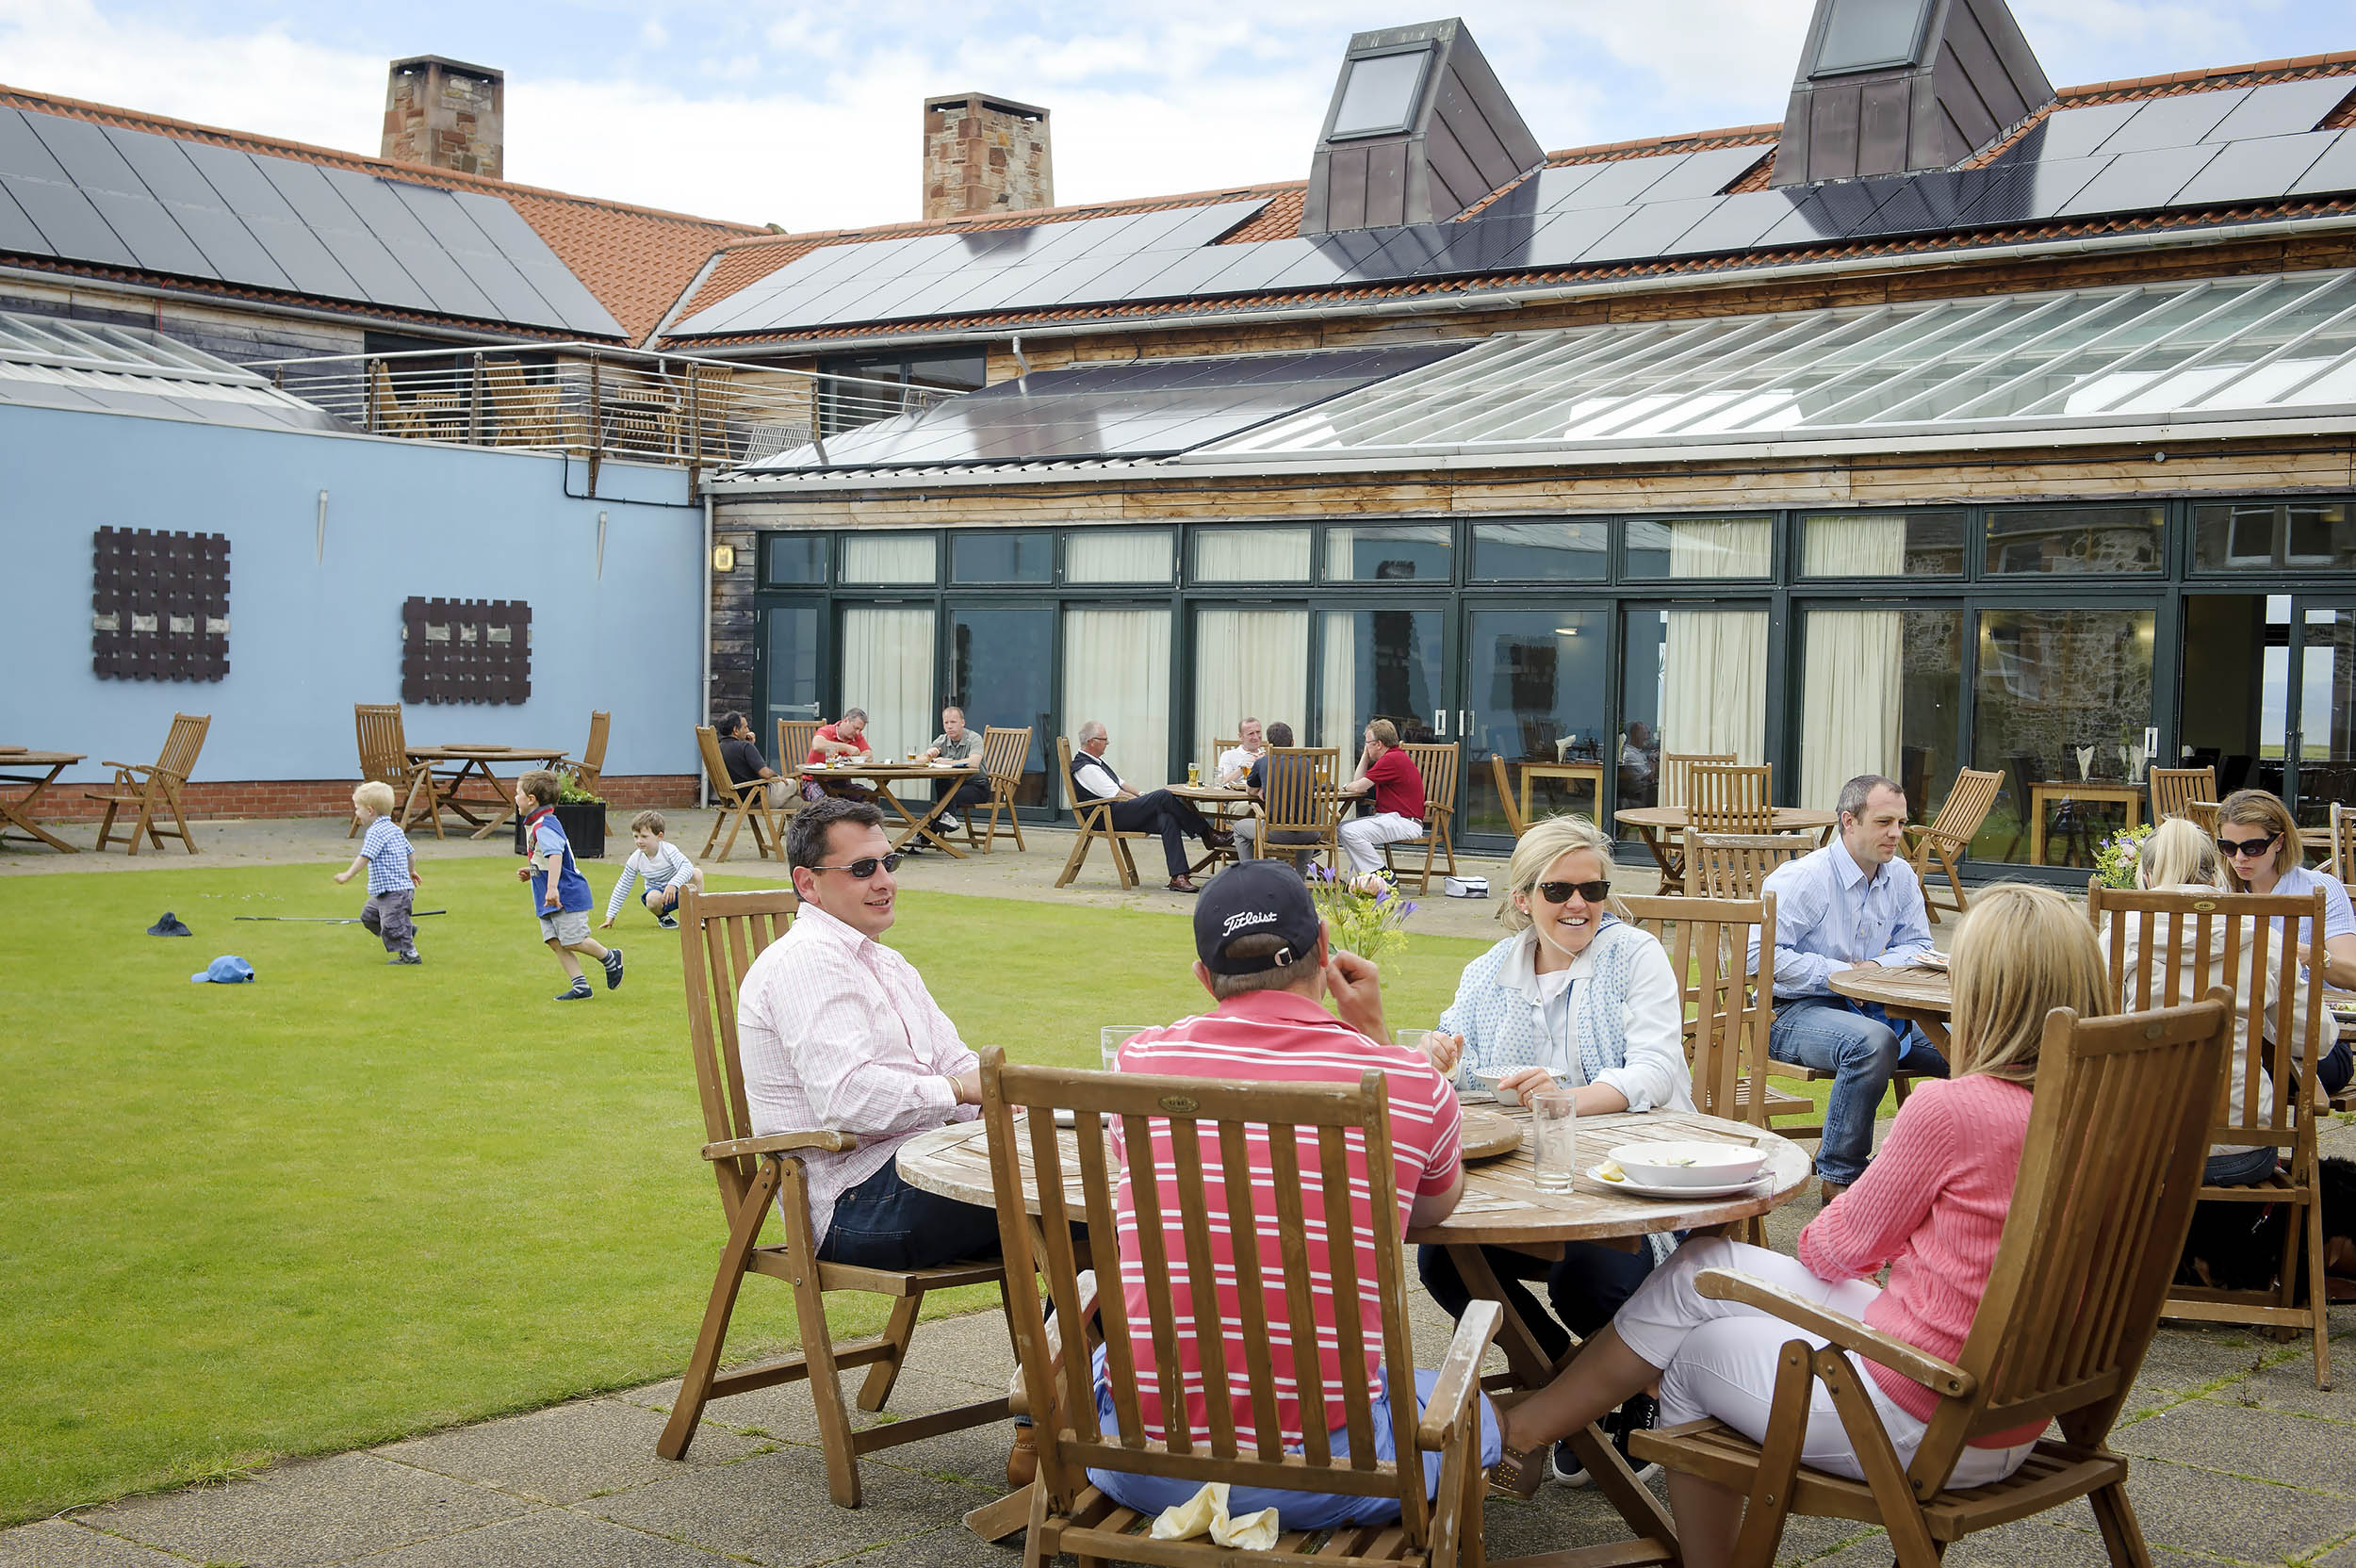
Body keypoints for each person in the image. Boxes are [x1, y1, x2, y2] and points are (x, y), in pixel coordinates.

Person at [1491, 884, 2095, 1559]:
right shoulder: (2106, 1111)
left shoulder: (1954, 1110)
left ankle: (1694, 1551)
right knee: (1700, 1269)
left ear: (1983, 992)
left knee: (1693, 1355)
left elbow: (1834, 1252)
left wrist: (1873, 1222)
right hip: (2013, 1411)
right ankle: (1532, 1428)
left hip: (1924, 1416)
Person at [1092, 858, 1500, 1522]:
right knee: (1475, 1410)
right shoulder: (1407, 1080)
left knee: (1108, 1351)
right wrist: (1371, 1033)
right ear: (1322, 950)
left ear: (1204, 976)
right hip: (1342, 1473)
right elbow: (1429, 1208)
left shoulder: (1138, 1064)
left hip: (1138, 1461)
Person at [1418, 813, 1692, 1485]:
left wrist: (1563, 1099)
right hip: (1527, 1178)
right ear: (1521, 899)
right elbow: (1458, 1057)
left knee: (1589, 1276)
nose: (1578, 905)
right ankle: (1564, 1377)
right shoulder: (1490, 972)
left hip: (1635, 1176)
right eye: (1558, 890)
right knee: (1443, 1259)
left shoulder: (1633, 956)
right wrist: (1439, 1053)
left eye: (1593, 890)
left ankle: (1628, 1393)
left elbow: (1655, 1073)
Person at [736, 796, 998, 1268]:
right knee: (1098, 1199)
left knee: (1103, 1182)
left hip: (925, 1163)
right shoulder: (806, 963)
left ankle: (1077, 1340)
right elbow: (847, 1098)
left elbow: (953, 1059)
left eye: (888, 862)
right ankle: (1087, 1341)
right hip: (854, 1200)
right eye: (862, 869)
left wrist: (1003, 1094)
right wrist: (959, 1090)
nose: (885, 882)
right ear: (807, 883)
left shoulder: (887, 962)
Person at [1749, 773, 1948, 1200]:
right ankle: (1841, 1179)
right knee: (1873, 1044)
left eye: (1902, 822)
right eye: (1884, 823)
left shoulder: (1901, 878)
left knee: (1982, 1048)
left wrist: (1872, 968)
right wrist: (1839, 975)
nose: (1897, 834)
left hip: (1878, 1008)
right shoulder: (1804, 879)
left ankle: (1968, 1176)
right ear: (1849, 821)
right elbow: (1759, 957)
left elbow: (1918, 946)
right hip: (1790, 1012)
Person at [2119, 816, 2312, 1187]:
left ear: (2144, 877)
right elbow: (2314, 1039)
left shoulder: (2119, 938)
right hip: (2241, 1150)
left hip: (2137, 1151)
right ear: (2213, 878)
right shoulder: (2260, 936)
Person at [2217, 789, 2355, 1095]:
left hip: (2307, 1039)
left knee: (2228, 1069)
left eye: (2252, 847)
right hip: (2238, 1037)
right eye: (2228, 846)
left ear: (2278, 841)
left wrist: (2314, 956)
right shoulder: (2216, 892)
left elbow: (2353, 974)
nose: (2239, 858)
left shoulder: (2319, 889)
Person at [1069, 720, 1233, 894]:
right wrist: (1145, 803)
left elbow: (1122, 784)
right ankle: (1207, 834)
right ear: (1091, 741)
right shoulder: (1086, 768)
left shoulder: (1096, 762)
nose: (1108, 742)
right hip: (1105, 817)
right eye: (1104, 739)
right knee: (1163, 795)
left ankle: (1178, 877)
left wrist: (1142, 797)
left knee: (1167, 818)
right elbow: (1118, 795)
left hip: (1115, 811)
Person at [514, 769, 622, 1001]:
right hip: (547, 893)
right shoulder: (537, 823)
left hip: (565, 894)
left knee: (573, 940)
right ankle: (580, 986)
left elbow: (555, 855)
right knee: (554, 941)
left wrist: (552, 888)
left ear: (531, 799)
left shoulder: (544, 825)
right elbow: (544, 857)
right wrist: (532, 872)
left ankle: (610, 957)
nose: (515, 798)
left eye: (517, 793)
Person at [335, 780, 422, 965]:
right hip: (383, 892)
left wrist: (347, 875)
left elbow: (365, 856)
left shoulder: (376, 832)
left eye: (358, 809)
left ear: (370, 810)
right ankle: (405, 930)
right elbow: (411, 853)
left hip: (396, 891)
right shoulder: (396, 829)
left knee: (391, 925)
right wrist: (411, 870)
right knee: (369, 917)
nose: (356, 813)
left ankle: (410, 955)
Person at [1334, 720, 1426, 874]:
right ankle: (1372, 876)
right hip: (1393, 818)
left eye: (1367, 743)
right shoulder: (1393, 756)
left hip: (1403, 821)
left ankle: (1381, 874)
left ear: (1379, 744)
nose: (1366, 747)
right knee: (1342, 829)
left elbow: (1357, 786)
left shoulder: (1391, 760)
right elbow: (1358, 781)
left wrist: (1344, 787)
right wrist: (1366, 755)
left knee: (1349, 831)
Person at [1238, 721, 1322, 872]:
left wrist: (1260, 790)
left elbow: (1250, 789)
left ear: (1269, 744)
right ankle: (1299, 879)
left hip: (1275, 833)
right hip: (1310, 834)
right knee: (1306, 823)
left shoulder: (1263, 762)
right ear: (1292, 742)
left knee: (1238, 828)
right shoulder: (1308, 763)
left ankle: (1250, 875)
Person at [602, 809, 702, 931]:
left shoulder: (669, 850)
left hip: (679, 891)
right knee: (651, 898)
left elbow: (687, 867)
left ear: (659, 836)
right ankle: (663, 917)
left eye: (644, 836)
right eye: (636, 836)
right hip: (660, 898)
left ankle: (697, 913)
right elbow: (623, 886)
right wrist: (610, 916)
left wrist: (673, 884)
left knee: (696, 873)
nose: (639, 841)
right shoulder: (636, 859)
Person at [922, 705, 990, 834]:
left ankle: (921, 836)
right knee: (942, 782)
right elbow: (919, 761)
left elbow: (974, 763)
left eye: (953, 722)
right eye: (946, 722)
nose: (949, 726)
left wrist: (950, 763)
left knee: (946, 801)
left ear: (962, 723)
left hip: (977, 786)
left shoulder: (974, 738)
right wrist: (928, 755)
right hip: (955, 785)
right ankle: (948, 819)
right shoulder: (942, 740)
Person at [714, 712, 789, 808]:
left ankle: (801, 822)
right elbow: (765, 773)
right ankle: (806, 820)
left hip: (735, 797)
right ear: (736, 730)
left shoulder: (719, 748)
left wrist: (751, 745)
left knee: (794, 802)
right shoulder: (745, 746)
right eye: (745, 727)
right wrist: (777, 775)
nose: (748, 730)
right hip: (756, 797)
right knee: (793, 784)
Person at [804, 709, 877, 805]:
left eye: (861, 730)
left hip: (842, 783)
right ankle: (833, 820)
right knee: (825, 803)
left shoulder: (856, 736)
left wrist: (855, 758)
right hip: (817, 782)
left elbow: (869, 756)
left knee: (871, 798)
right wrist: (846, 748)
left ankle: (853, 820)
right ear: (846, 720)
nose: (858, 732)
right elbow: (817, 745)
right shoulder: (827, 730)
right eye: (856, 728)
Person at [1216, 717, 1266, 787]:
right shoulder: (1228, 755)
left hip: (1261, 796)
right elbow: (1222, 782)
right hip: (1236, 796)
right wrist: (1244, 766)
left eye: (1258, 732)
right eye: (1251, 733)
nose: (1256, 737)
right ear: (1240, 736)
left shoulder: (1267, 755)